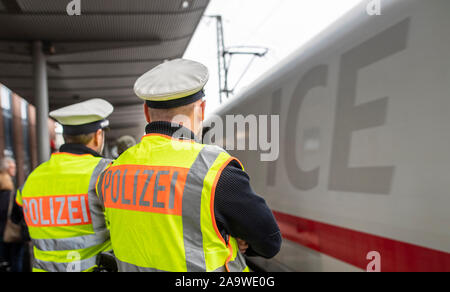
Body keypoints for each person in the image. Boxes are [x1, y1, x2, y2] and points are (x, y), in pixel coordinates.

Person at [96, 59, 282, 272]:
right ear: (201, 109)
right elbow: (269, 242)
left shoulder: (111, 173)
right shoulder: (215, 170)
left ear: (146, 112)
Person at [15, 98, 114, 272]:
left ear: (67, 137)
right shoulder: (106, 172)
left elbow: (17, 222)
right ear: (98, 136)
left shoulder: (33, 177)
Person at [0, 157, 15, 271]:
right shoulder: (6, 184)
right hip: (5, 228)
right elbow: (4, 209)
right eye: (11, 167)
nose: (14, 169)